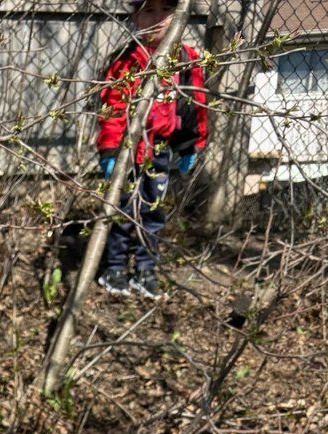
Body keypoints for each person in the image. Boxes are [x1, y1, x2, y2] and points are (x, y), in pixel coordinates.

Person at [96, 0, 208, 299]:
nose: (158, 18)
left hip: (160, 150)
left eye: (165, 10)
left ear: (179, 15)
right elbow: (113, 108)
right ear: (135, 17)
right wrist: (109, 151)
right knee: (122, 210)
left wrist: (190, 145)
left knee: (153, 211)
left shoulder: (186, 59)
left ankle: (146, 268)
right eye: (148, 10)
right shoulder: (128, 60)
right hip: (128, 150)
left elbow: (194, 105)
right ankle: (115, 266)